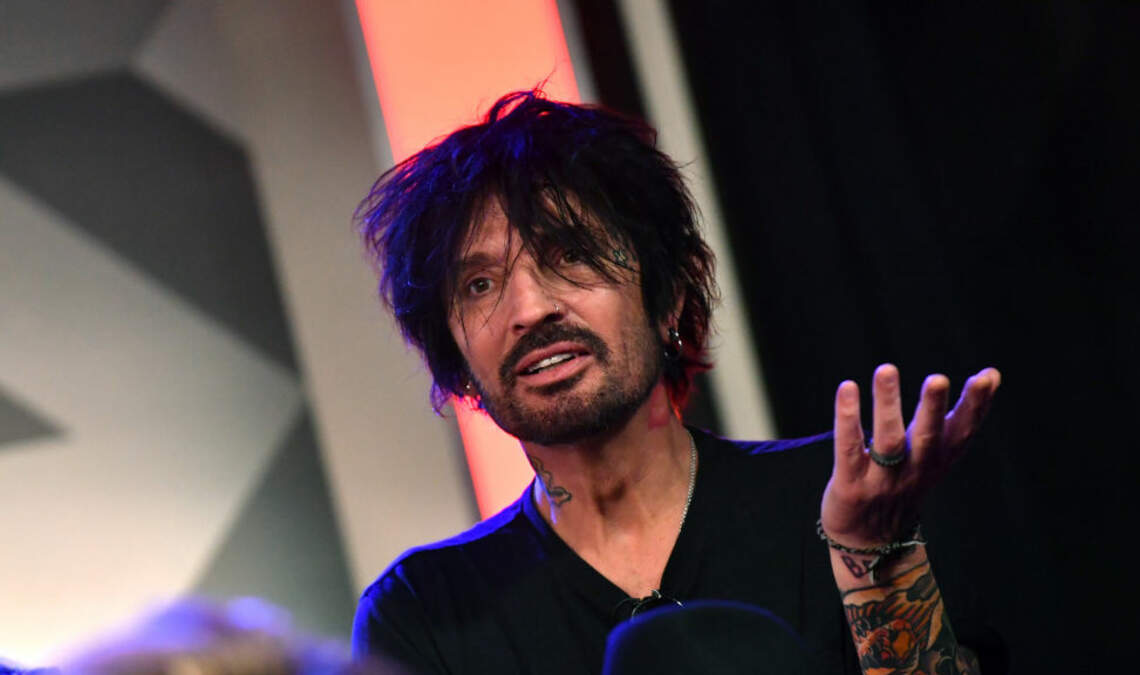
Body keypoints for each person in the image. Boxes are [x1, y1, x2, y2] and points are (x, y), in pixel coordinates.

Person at [352, 90, 1001, 674]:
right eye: (479, 284)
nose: (529, 309)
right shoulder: (425, 615)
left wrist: (878, 561)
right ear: (456, 354)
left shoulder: (857, 498)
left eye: (571, 255)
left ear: (669, 297)